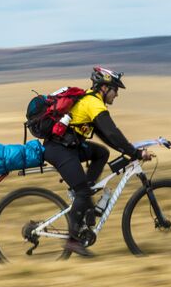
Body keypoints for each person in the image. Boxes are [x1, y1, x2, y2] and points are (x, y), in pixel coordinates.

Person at [43, 66, 153, 257]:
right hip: (59, 150)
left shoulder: (90, 100)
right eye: (115, 89)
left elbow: (106, 137)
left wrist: (128, 151)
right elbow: (112, 132)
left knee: (101, 153)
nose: (117, 94)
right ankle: (73, 240)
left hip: (69, 147)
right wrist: (134, 152)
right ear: (104, 88)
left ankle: (86, 203)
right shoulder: (93, 103)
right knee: (82, 191)